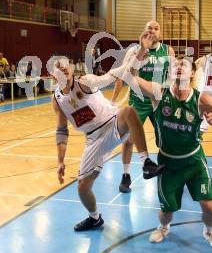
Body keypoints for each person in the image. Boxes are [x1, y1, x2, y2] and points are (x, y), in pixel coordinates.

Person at [117, 31, 212, 250]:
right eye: (175, 66)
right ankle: (164, 228)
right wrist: (143, 50)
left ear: (192, 73)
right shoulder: (158, 93)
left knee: (209, 209)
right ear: (169, 72)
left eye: (184, 65)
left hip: (194, 161)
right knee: (166, 213)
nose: (179, 67)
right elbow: (130, 75)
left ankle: (209, 231)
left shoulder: (202, 99)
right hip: (168, 162)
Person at [52, 57, 163, 232]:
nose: (64, 68)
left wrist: (134, 60)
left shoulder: (85, 82)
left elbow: (111, 75)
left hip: (112, 123)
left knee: (128, 111)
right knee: (82, 187)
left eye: (66, 65)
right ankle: (95, 218)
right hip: (93, 139)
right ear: (53, 75)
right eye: (59, 67)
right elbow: (61, 131)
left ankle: (146, 162)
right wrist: (60, 161)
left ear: (72, 69)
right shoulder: (57, 99)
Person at [111, 20, 174, 193]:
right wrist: (114, 100)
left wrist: (171, 96)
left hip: (159, 100)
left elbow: (172, 77)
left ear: (160, 32)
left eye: (156, 28)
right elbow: (123, 74)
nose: (153, 31)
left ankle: (161, 170)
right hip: (138, 101)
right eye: (149, 28)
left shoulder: (168, 50)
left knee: (165, 139)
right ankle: (125, 175)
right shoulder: (134, 50)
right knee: (129, 139)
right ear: (144, 31)